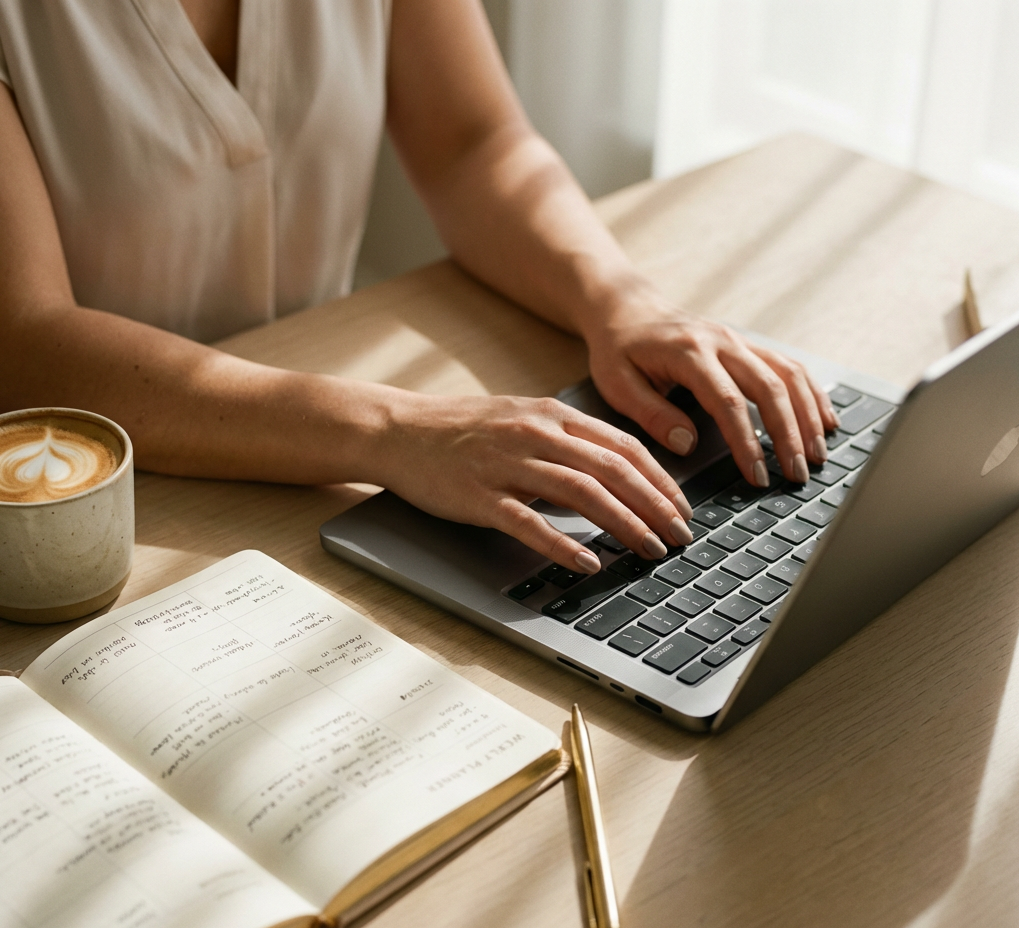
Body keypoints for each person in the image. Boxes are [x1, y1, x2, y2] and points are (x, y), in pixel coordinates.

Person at [0, 0, 837, 576]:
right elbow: (27, 341)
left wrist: (620, 302)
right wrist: (398, 430)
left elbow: (473, 144)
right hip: (89, 509)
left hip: (307, 471)